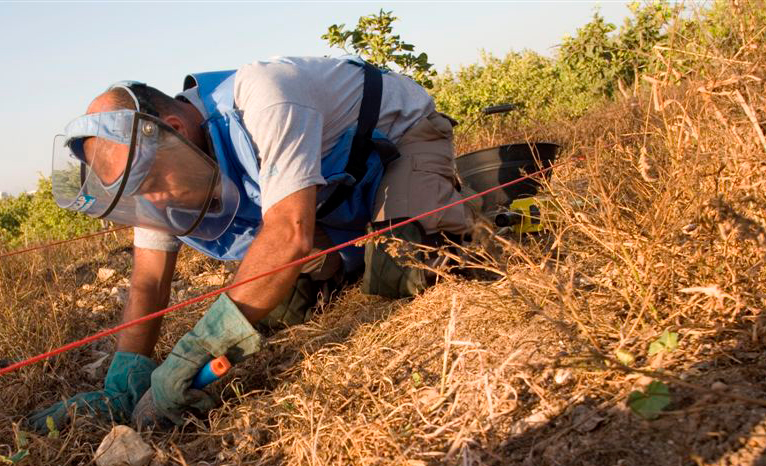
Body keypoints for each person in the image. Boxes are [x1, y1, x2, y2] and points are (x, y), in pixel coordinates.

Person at [28, 56, 477, 432]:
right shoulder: (159, 171)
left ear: (173, 129)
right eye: (136, 193)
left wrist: (196, 351)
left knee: (411, 267)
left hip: (396, 144)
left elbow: (286, 233)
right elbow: (148, 281)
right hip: (323, 195)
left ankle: (478, 208)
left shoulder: (265, 94)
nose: (153, 200)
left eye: (147, 183)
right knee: (276, 310)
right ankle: (356, 255)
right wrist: (123, 381)